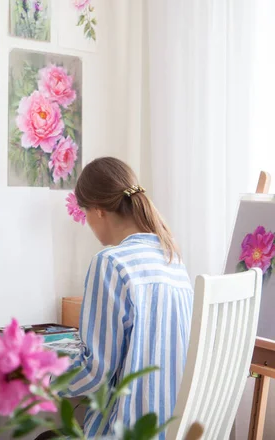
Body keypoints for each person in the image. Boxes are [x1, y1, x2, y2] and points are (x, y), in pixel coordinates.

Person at [65, 157, 193, 438]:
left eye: (85, 213)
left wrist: (40, 376)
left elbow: (94, 372)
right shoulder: (172, 259)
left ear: (98, 211)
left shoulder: (111, 262)